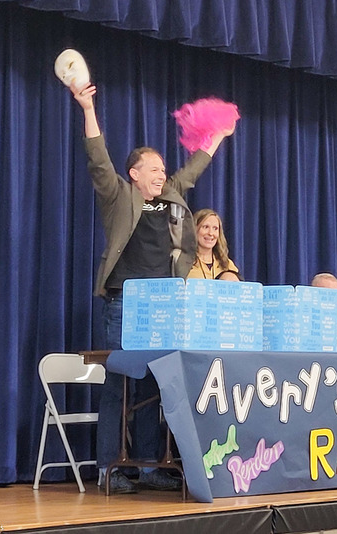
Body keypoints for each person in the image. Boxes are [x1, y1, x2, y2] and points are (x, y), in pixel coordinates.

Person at [71, 82, 234, 494]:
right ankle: (111, 468)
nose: (163, 173)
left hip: (162, 306)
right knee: (118, 384)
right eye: (155, 168)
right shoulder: (119, 196)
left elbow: (194, 167)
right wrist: (88, 107)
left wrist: (216, 135)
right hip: (125, 301)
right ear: (135, 174)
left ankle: (145, 466)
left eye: (164, 169)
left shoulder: (174, 196)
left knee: (151, 385)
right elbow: (98, 160)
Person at [187, 209, 240, 279]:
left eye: (215, 228)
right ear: (194, 229)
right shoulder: (184, 263)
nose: (211, 233)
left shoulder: (227, 264)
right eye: (205, 227)